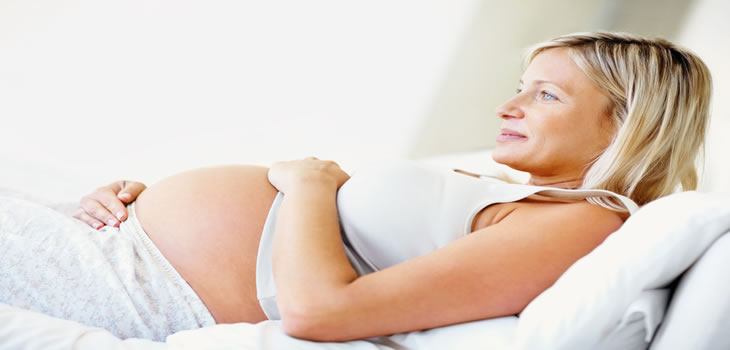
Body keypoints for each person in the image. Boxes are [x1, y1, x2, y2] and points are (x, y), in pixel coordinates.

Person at [7, 31, 712, 342]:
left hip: (149, 287)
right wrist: (128, 198)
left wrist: (311, 184)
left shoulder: (587, 224)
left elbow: (322, 312)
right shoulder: (517, 194)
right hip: (120, 247)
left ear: (629, 123)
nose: (509, 107)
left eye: (547, 96)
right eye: (518, 88)